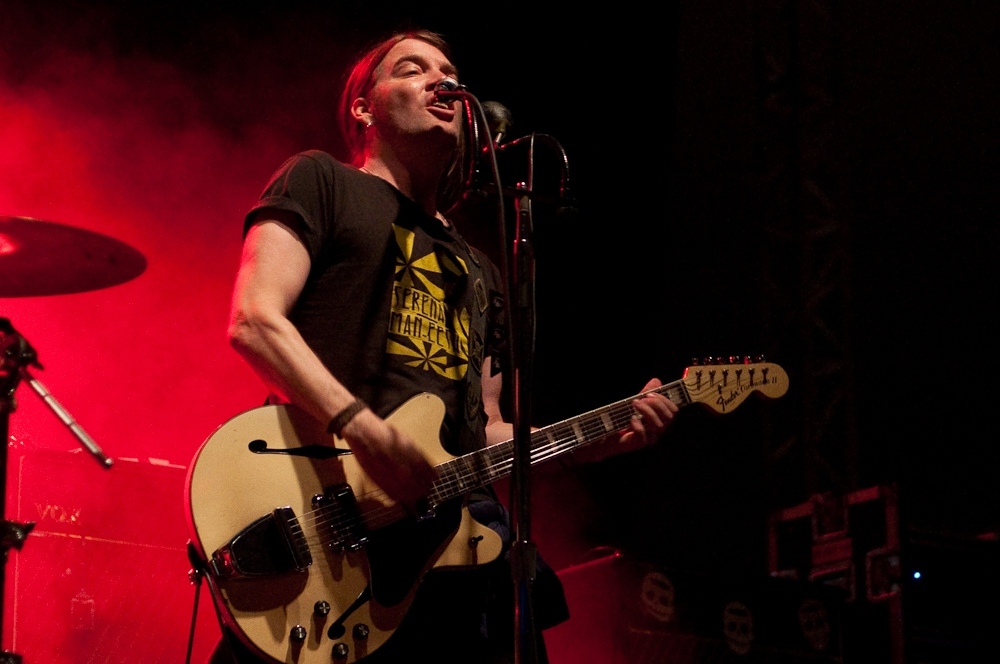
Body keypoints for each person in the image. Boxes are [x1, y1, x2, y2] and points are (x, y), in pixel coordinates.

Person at [216, 30, 678, 663]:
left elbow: (481, 433)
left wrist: (596, 442)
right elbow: (254, 320)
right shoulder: (321, 181)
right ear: (363, 107)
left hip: (443, 560)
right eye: (413, 69)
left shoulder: (481, 271)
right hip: (318, 511)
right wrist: (364, 430)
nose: (442, 82)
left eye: (450, 73)